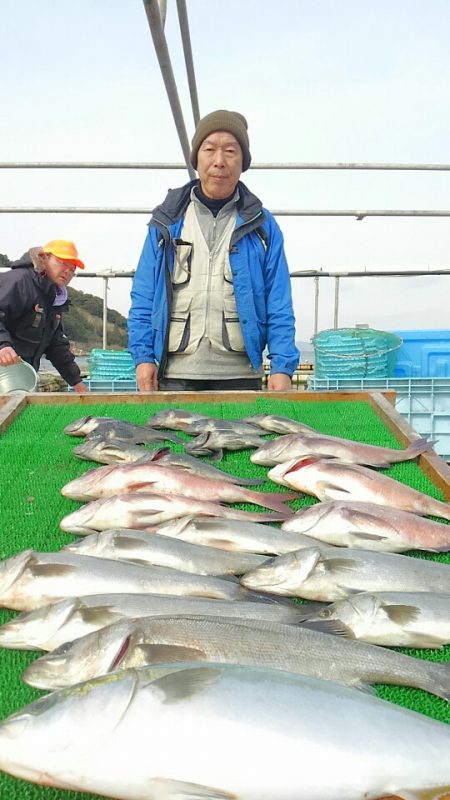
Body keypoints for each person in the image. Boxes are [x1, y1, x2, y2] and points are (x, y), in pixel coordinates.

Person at [128, 109, 299, 392]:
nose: (219, 161)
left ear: (243, 162)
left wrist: (282, 367)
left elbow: (279, 301)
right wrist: (143, 357)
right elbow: (144, 295)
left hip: (241, 376)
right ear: (197, 158)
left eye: (231, 151)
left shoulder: (263, 227)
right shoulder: (166, 221)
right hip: (176, 375)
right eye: (210, 149)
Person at [0, 240, 89, 393]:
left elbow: (56, 345)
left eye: (72, 268)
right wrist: (3, 345)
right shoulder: (19, 281)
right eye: (63, 262)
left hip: (19, 379)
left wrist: (77, 383)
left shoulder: (53, 299)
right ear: (43, 258)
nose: (68, 271)